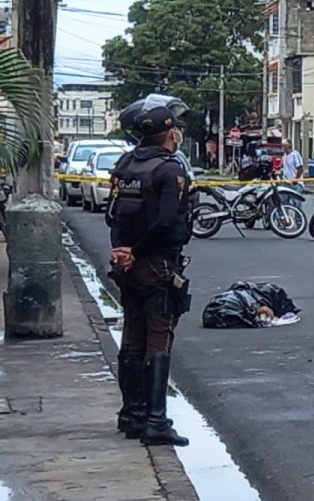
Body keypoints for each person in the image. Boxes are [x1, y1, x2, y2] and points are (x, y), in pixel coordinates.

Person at [107, 101, 193, 447]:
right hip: (156, 263)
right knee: (158, 339)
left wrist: (122, 252)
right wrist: (139, 252)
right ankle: (156, 420)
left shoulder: (125, 164)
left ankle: (132, 414)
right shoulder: (170, 170)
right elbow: (167, 220)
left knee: (131, 337)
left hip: (126, 265)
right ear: (171, 132)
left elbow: (113, 214)